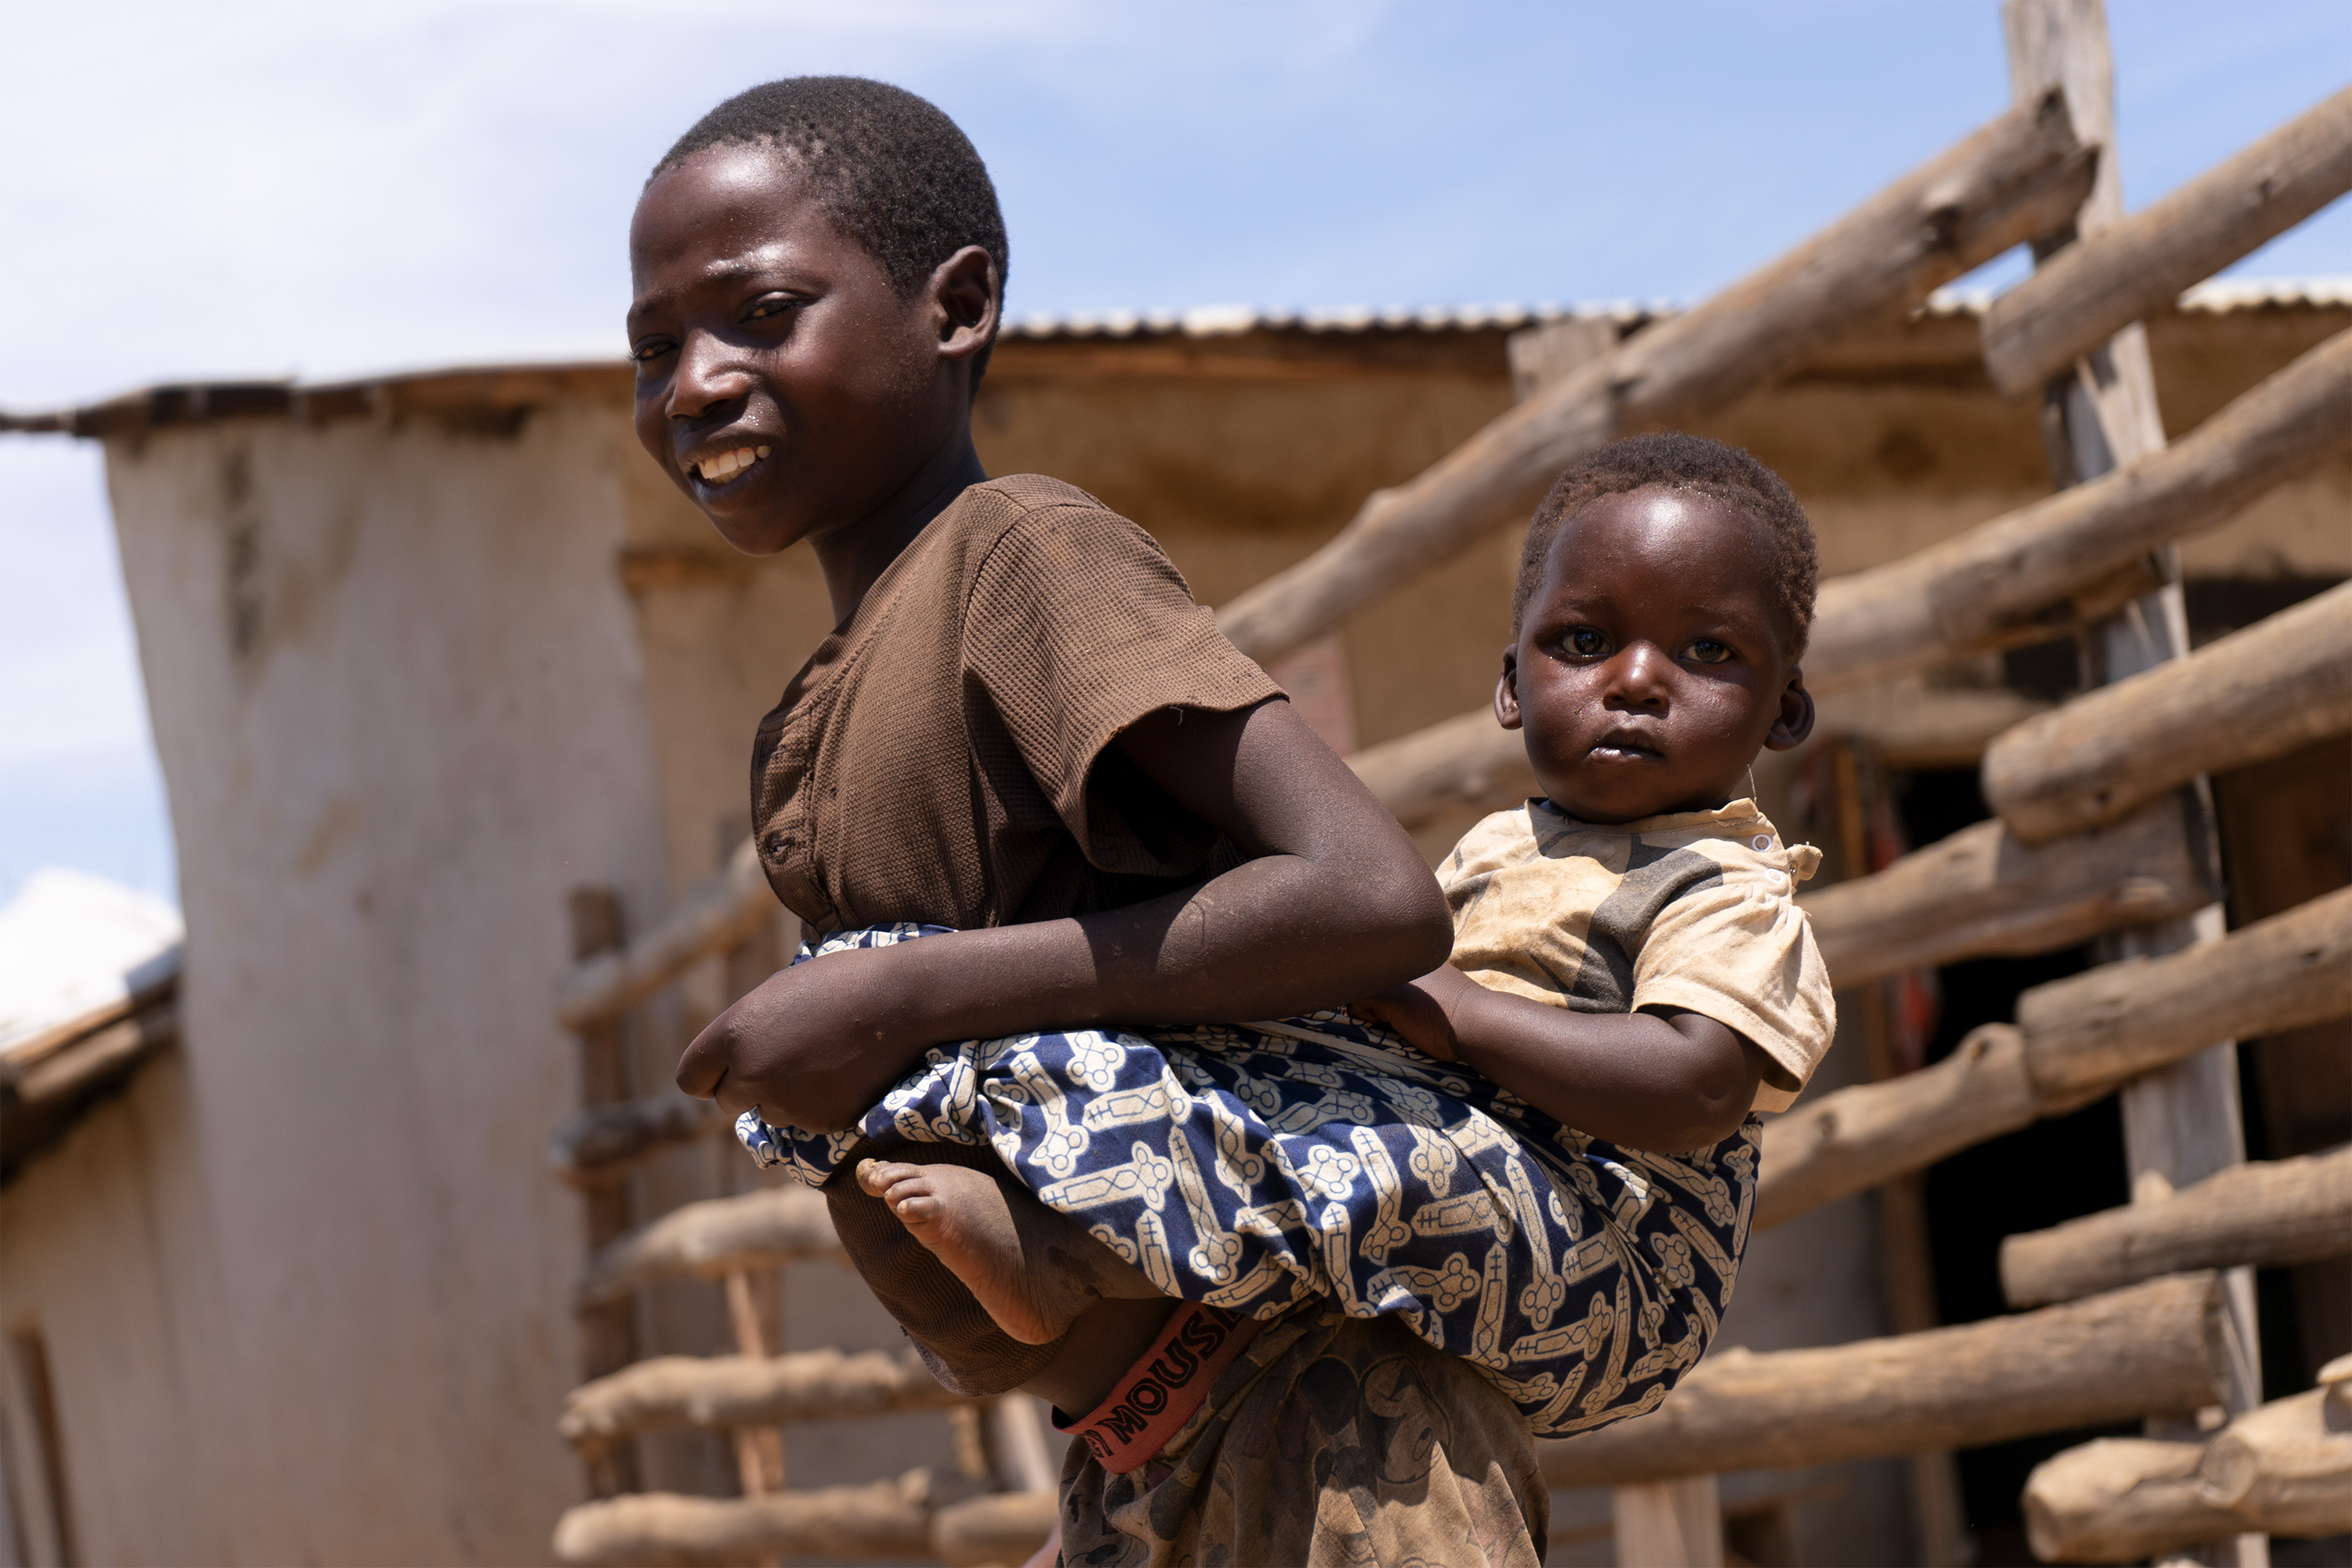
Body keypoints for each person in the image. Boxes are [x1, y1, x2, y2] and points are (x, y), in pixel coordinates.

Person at [634, 75, 1550, 1565]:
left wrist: (902, 988)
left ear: (959, 305)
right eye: (655, 343)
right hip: (1137, 1451)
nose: (692, 381)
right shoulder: (830, 696)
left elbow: (1368, 897)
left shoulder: (1023, 557)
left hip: (1320, 1428)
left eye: (759, 313)